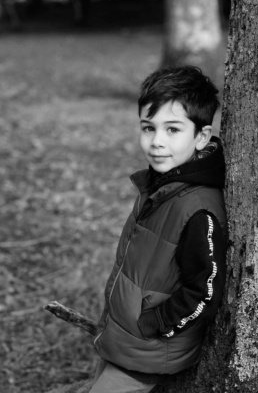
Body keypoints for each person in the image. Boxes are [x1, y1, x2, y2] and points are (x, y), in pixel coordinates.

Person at [90, 66, 228, 392]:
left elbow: (204, 291)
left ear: (202, 136)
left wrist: (154, 324)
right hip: (124, 337)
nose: (157, 142)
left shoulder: (198, 209)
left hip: (148, 350)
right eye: (148, 128)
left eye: (173, 129)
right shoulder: (161, 185)